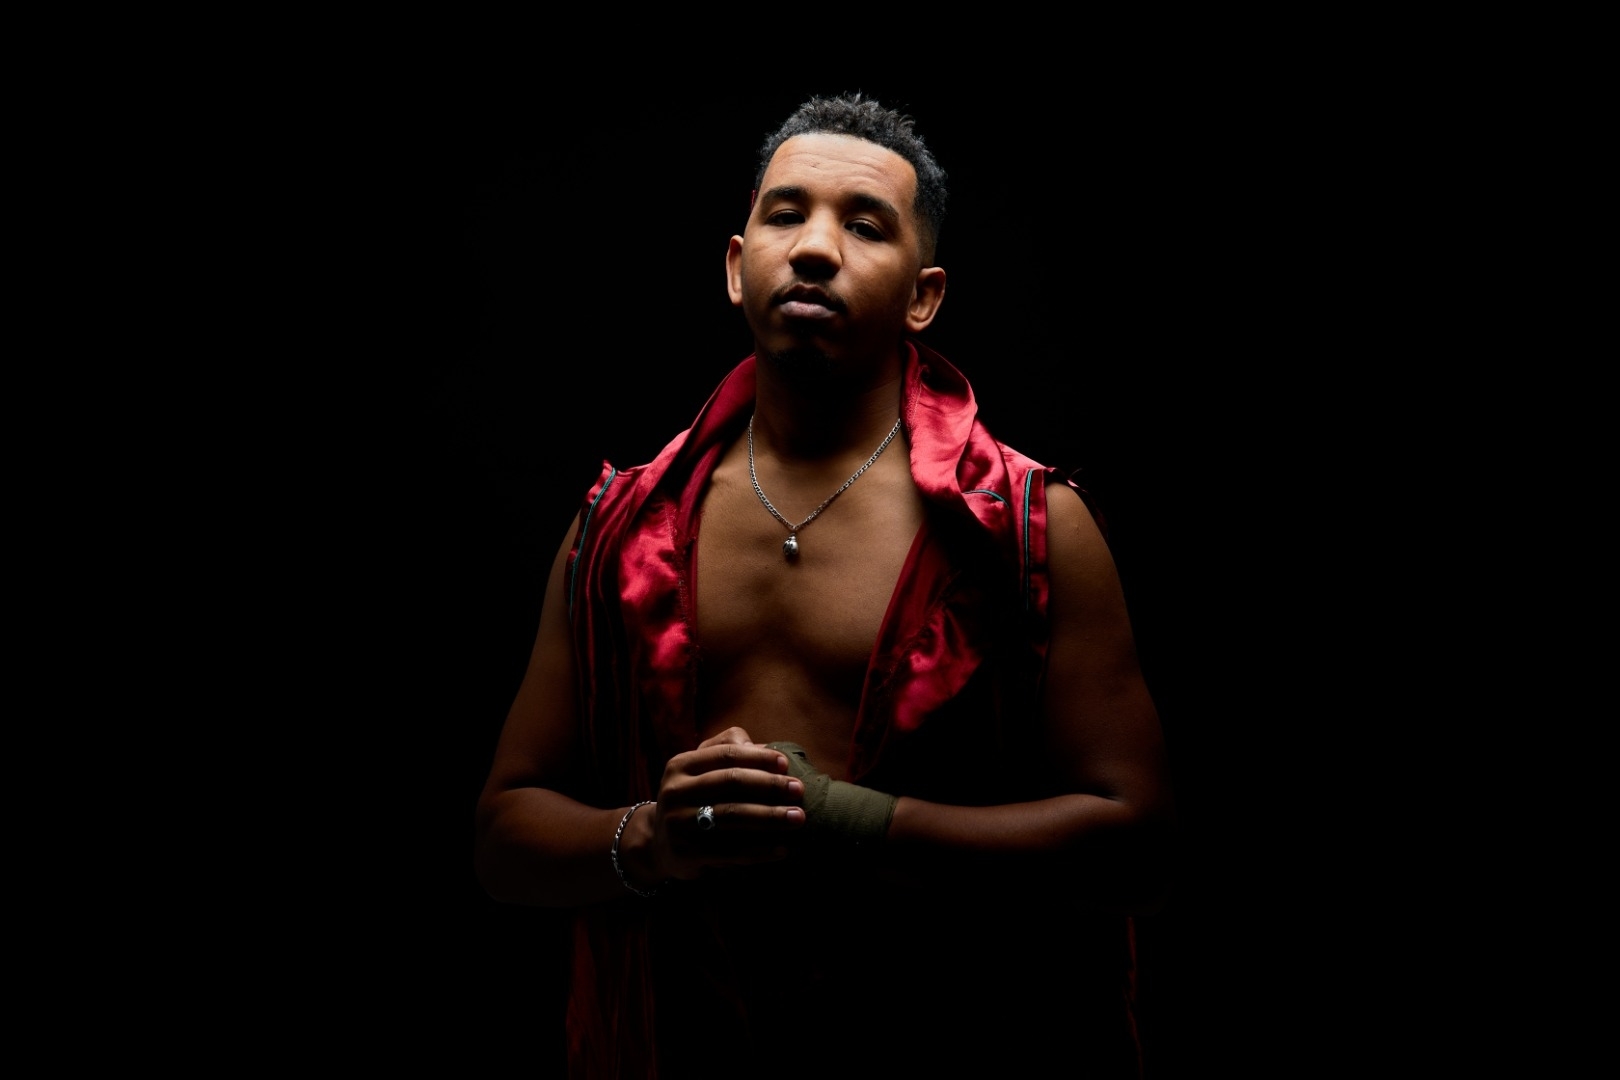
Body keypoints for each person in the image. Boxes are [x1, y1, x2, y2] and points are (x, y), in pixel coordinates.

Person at [476, 93, 1175, 1078]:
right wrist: (652, 839)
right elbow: (503, 836)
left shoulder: (1028, 527)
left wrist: (855, 822)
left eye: (866, 225)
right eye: (785, 214)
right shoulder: (618, 529)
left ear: (923, 297)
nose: (813, 248)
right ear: (737, 266)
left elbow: (1141, 849)